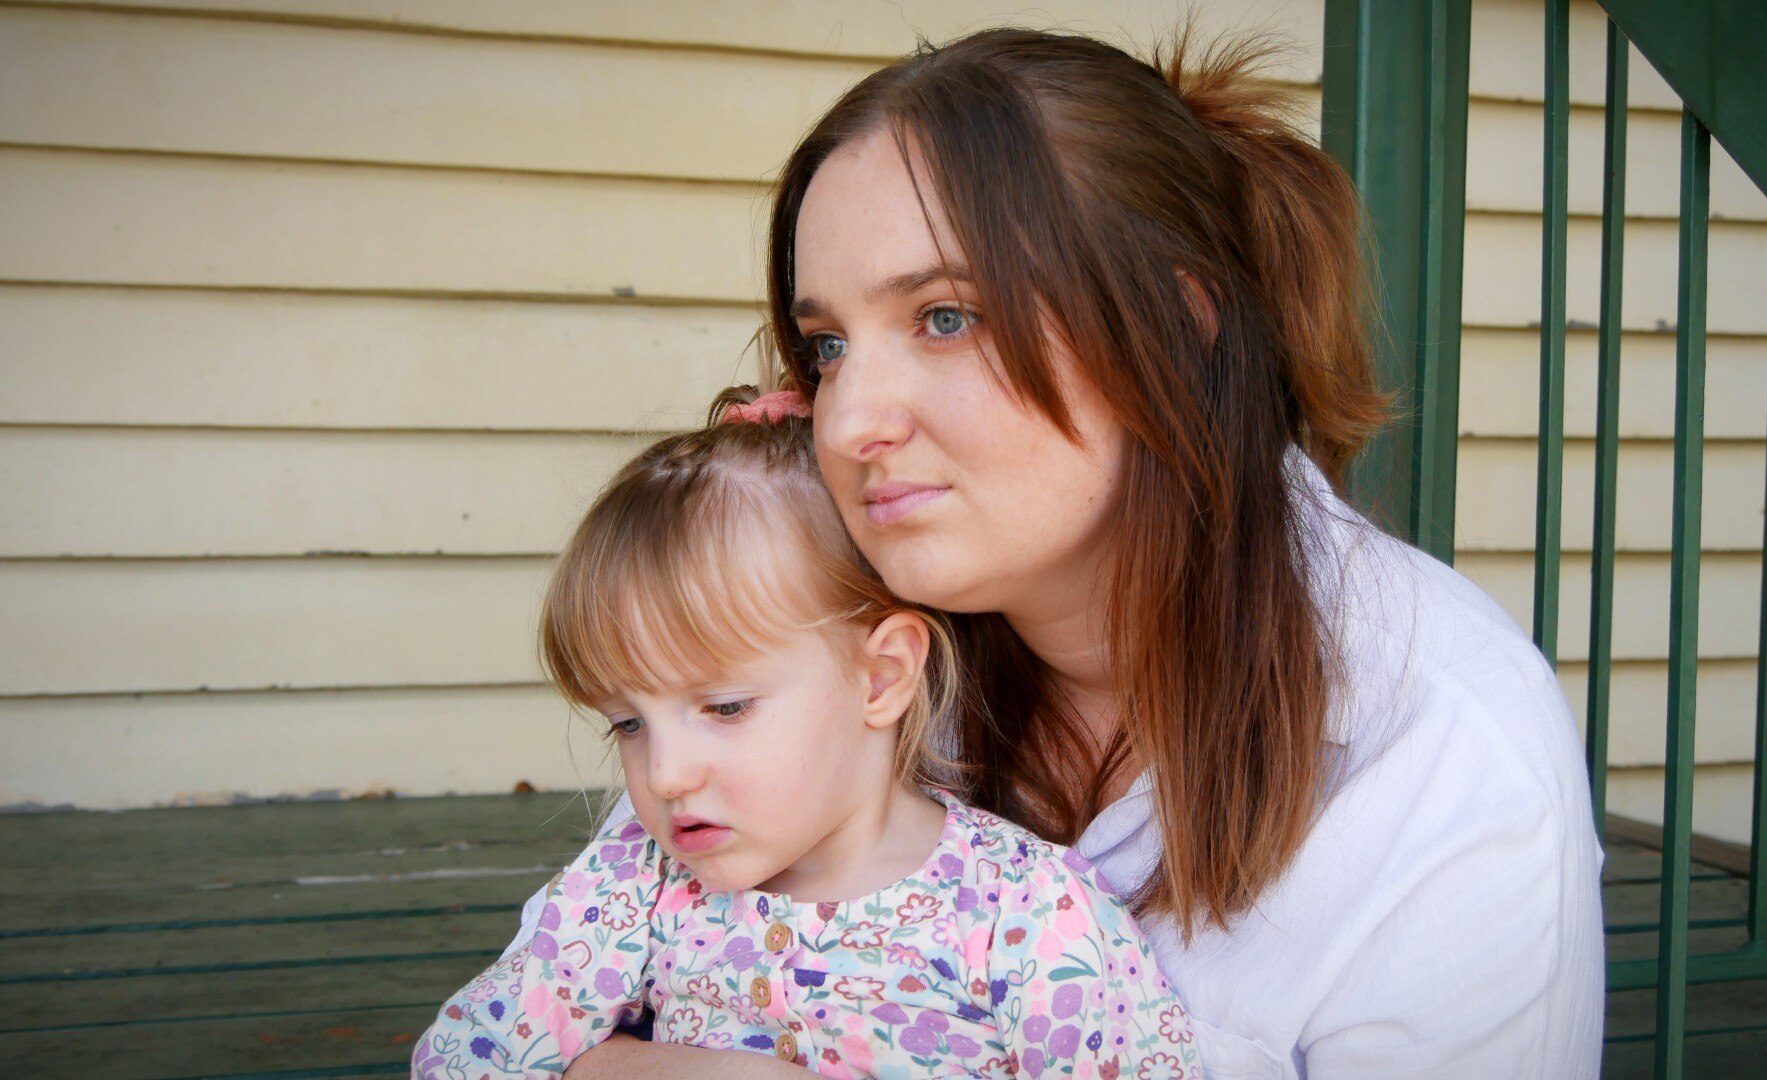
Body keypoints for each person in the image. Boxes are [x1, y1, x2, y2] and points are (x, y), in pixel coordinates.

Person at [551, 25, 1605, 1079]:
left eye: (945, 317)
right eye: (828, 346)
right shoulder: (830, 622)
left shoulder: (1440, 751)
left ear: (1174, 324)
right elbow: (550, 1001)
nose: (849, 420)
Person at [414, 388, 1203, 1079]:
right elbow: (460, 1058)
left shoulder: (1026, 914)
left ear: (882, 676)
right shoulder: (635, 886)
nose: (664, 775)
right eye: (627, 722)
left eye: (725, 708)